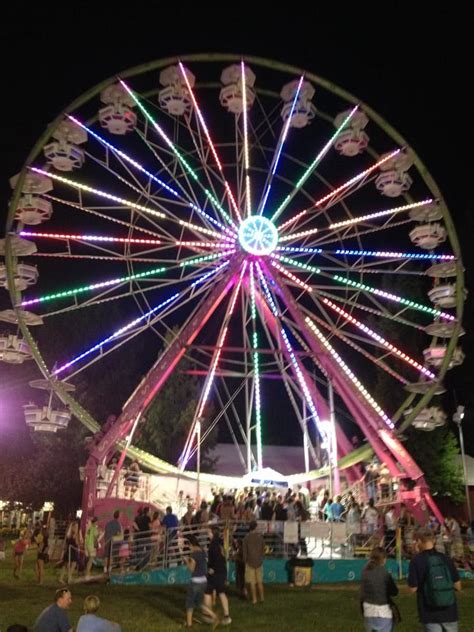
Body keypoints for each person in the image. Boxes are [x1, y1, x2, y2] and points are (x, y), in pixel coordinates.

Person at [408, 527, 462, 631]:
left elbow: (412, 589)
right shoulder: (446, 558)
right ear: (433, 540)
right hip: (450, 611)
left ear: (418, 541)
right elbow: (458, 586)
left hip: (429, 612)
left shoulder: (416, 561)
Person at [183, 535, 219, 628]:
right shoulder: (203, 552)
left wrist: (187, 561)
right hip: (204, 581)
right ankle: (214, 616)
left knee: (189, 603)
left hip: (195, 581)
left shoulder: (194, 555)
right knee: (199, 603)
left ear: (191, 544)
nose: (189, 548)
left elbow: (191, 569)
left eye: (189, 546)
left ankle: (189, 625)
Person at [360, 546, 399, 631]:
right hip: (383, 611)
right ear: (383, 559)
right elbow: (394, 592)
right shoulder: (384, 573)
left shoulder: (365, 571)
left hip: (368, 610)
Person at [204, 527, 231, 625]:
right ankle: (227, 615)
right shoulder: (220, 543)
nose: (208, 534)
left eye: (209, 532)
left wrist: (211, 567)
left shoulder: (213, 544)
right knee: (221, 592)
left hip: (215, 571)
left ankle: (208, 615)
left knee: (207, 591)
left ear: (212, 533)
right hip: (222, 571)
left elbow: (214, 558)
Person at [243, 520, 265, 605]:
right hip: (259, 561)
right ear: (256, 527)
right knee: (259, 581)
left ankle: (254, 599)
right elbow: (263, 549)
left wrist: (245, 561)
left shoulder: (246, 538)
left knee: (252, 582)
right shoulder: (260, 537)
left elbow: (245, 551)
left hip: (249, 562)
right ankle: (262, 598)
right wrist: (262, 557)